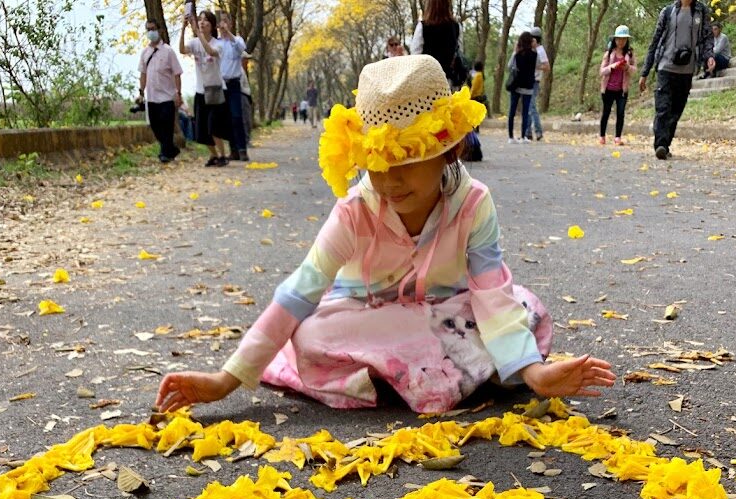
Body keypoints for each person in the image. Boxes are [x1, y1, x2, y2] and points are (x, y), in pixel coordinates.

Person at [155, 55, 615, 417]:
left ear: (449, 151)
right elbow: (299, 292)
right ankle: (458, 372)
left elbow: (491, 295)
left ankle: (415, 373)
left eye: (407, 161)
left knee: (526, 307)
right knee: (310, 334)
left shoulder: (474, 203)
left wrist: (534, 374)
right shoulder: (356, 210)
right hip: (367, 314)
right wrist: (225, 379)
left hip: (451, 313)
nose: (391, 182)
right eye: (378, 165)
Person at [639, 0, 714, 160]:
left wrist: (709, 56)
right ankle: (661, 144)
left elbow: (707, 37)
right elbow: (655, 42)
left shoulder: (701, 11)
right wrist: (645, 72)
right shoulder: (667, 12)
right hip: (665, 67)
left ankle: (665, 144)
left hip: (687, 70)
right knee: (663, 107)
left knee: (676, 111)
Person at [180, 11, 230, 166]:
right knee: (202, 129)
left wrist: (197, 32)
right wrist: (183, 29)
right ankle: (213, 155)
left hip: (215, 90)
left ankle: (223, 156)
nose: (202, 23)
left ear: (213, 25)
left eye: (206, 21)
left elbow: (210, 51)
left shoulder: (219, 44)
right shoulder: (194, 43)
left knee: (214, 126)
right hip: (200, 91)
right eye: (200, 20)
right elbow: (182, 49)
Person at [138, 20, 183, 164]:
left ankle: (164, 153)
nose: (151, 32)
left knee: (166, 125)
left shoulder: (168, 51)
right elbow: (143, 74)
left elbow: (177, 73)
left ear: (159, 30)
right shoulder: (145, 53)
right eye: (148, 29)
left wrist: (178, 93)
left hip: (167, 96)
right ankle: (171, 149)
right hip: (152, 97)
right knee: (155, 126)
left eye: (153, 29)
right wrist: (141, 92)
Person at [410, 0, 463, 86]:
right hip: (448, 81)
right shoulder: (456, 27)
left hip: (426, 80)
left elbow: (415, 55)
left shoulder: (423, 27)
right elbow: (459, 51)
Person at [598, 26, 636, 145]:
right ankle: (602, 135)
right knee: (606, 112)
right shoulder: (609, 54)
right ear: (615, 40)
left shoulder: (629, 54)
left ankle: (618, 137)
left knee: (620, 113)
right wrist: (612, 67)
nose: (621, 42)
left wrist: (627, 67)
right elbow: (601, 71)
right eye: (619, 39)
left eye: (624, 39)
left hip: (622, 90)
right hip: (608, 89)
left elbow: (634, 70)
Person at [218, 13, 248, 160]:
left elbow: (242, 48)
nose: (223, 25)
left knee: (237, 116)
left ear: (230, 24)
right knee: (227, 119)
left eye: (226, 21)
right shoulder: (216, 43)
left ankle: (242, 149)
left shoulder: (236, 40)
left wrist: (228, 34)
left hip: (234, 84)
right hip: (221, 85)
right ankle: (233, 150)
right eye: (221, 22)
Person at [507, 31, 537, 143]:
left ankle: (510, 137)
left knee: (512, 111)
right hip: (528, 86)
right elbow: (538, 65)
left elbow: (509, 66)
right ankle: (524, 136)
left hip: (517, 85)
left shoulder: (518, 55)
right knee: (525, 112)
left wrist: (514, 52)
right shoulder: (534, 55)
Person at [526, 27, 549, 141]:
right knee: (530, 106)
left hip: (535, 81)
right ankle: (528, 132)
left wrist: (535, 67)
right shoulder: (533, 50)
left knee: (531, 106)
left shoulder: (540, 51)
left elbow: (546, 67)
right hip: (529, 80)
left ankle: (537, 131)